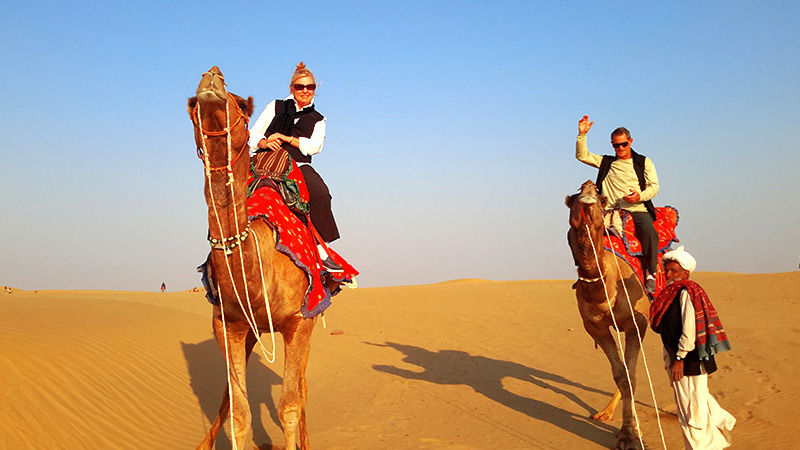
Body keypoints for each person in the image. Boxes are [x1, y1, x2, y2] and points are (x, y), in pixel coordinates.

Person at [249, 62, 342, 271]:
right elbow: (253, 133)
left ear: (315, 90)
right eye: (300, 87)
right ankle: (220, 247)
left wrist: (286, 138)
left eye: (310, 87)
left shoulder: (318, 119)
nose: (305, 91)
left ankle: (321, 251)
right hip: (266, 160)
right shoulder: (275, 106)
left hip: (298, 164)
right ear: (292, 88)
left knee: (321, 194)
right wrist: (263, 143)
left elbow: (314, 147)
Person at [650, 246, 735, 450]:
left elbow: (689, 329)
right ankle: (718, 434)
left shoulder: (686, 293)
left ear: (685, 273)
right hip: (684, 358)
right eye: (667, 271)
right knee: (697, 402)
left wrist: (679, 359)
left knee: (691, 412)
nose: (669, 275)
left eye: (674, 271)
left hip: (688, 360)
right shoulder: (672, 293)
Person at [576, 115, 660, 293]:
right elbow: (582, 155)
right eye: (616, 145)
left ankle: (651, 274)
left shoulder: (643, 162)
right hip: (608, 212)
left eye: (623, 144)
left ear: (630, 141)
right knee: (580, 233)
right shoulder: (607, 163)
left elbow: (654, 187)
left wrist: (639, 196)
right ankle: (583, 273)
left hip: (636, 209)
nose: (620, 148)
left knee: (649, 232)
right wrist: (582, 134)